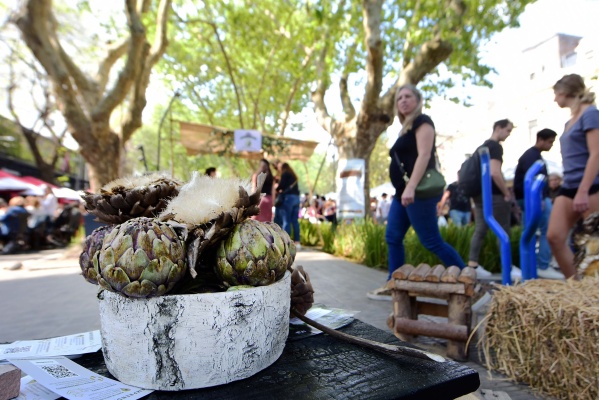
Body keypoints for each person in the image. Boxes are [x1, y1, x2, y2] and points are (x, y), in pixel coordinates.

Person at [367, 84, 465, 300]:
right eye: (399, 97)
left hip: (418, 192)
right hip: (402, 193)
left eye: (408, 96)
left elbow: (424, 155)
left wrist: (411, 187)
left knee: (431, 240)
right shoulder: (405, 129)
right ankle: (393, 284)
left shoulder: (423, 121)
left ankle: (468, 281)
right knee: (393, 237)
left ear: (418, 100)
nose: (402, 100)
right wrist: (405, 189)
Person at [547, 74, 599, 279]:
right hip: (569, 185)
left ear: (565, 91)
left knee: (593, 247)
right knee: (554, 237)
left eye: (556, 94)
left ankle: (594, 290)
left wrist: (583, 191)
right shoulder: (570, 121)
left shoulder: (590, 113)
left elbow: (596, 154)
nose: (554, 99)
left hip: (591, 186)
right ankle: (577, 288)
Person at [466, 119, 521, 280]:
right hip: (494, 194)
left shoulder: (482, 147)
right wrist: (506, 192)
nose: (508, 134)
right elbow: (495, 172)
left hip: (479, 194)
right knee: (503, 229)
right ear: (498, 128)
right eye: (508, 130)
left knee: (480, 229)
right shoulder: (495, 147)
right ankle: (507, 267)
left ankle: (473, 265)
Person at [513, 128, 563, 279]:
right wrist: (539, 198)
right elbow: (533, 179)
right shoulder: (532, 157)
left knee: (530, 230)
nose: (551, 145)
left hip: (532, 198)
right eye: (550, 142)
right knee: (548, 228)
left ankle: (531, 266)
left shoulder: (533, 156)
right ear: (540, 139)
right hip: (534, 198)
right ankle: (542, 265)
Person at [275, 162, 301, 248]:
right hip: (296, 198)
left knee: (286, 220)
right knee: (295, 221)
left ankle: (287, 242)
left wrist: (277, 188)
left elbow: (281, 185)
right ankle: (297, 242)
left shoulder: (285, 174)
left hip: (288, 198)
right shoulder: (293, 175)